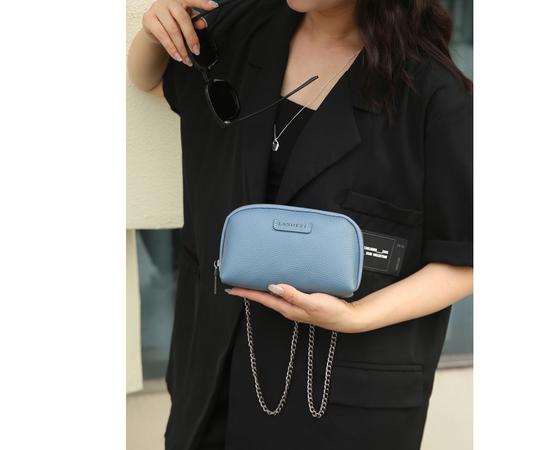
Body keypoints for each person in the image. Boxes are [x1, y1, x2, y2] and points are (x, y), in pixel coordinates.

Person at [127, 0, 473, 448]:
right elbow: (155, 80)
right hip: (211, 383)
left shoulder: (432, 93)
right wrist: (154, 34)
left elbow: (466, 260)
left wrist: (356, 316)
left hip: (338, 400)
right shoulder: (243, 27)